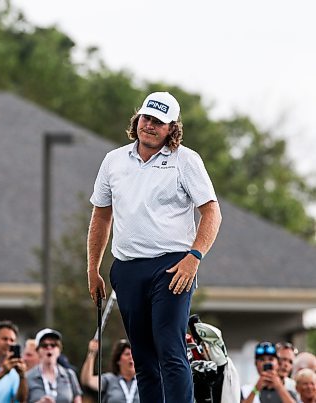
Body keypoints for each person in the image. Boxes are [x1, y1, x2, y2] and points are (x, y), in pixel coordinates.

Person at [87, 91, 222, 403]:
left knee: (169, 348)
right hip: (127, 268)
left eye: (158, 122)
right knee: (143, 357)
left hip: (173, 267)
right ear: (138, 119)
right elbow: (101, 215)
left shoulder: (186, 161)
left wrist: (194, 256)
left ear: (171, 128)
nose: (149, 125)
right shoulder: (114, 161)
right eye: (146, 118)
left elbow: (211, 212)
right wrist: (93, 268)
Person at [26, 328, 82, 403]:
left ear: (59, 350)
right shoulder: (28, 377)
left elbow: (78, 400)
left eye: (53, 345)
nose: (49, 348)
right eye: (44, 345)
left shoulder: (69, 375)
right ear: (38, 351)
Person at [80, 338, 138, 403]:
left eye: (133, 354)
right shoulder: (109, 379)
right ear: (118, 360)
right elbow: (87, 381)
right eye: (127, 354)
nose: (131, 357)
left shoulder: (142, 380)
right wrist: (92, 353)